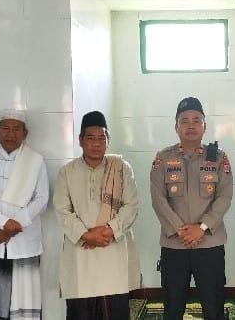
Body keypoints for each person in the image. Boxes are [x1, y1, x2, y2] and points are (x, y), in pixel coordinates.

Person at [150, 97, 233, 320]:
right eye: (184, 121)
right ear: (176, 127)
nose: (190, 125)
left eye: (196, 120)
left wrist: (201, 228)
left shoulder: (219, 158)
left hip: (209, 244)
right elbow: (158, 198)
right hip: (174, 245)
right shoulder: (163, 158)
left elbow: (225, 196)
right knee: (173, 307)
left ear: (204, 126)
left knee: (213, 307)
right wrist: (182, 230)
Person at [53, 110, 142, 319]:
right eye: (91, 138)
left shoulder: (121, 168)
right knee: (81, 312)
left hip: (113, 252)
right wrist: (86, 235)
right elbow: (62, 211)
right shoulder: (67, 171)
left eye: (102, 138)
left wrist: (109, 230)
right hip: (80, 255)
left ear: (108, 141)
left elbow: (131, 206)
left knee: (115, 311)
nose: (96, 143)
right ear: (80, 140)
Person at [0, 109, 48, 320]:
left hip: (25, 242)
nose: (10, 134)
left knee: (25, 300)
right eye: (5, 128)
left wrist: (15, 225)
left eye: (16, 129)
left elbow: (42, 199)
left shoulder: (35, 161)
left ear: (25, 133)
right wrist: (4, 222)